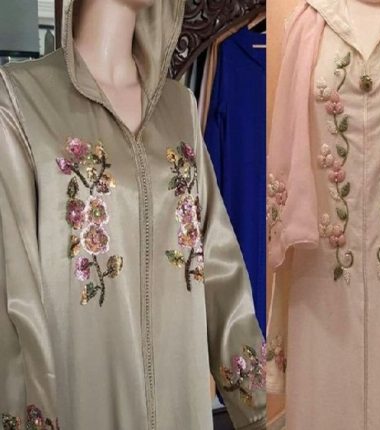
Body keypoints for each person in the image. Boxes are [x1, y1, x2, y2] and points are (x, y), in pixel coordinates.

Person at [0, 0, 265, 428]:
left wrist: (262, 408)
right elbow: (14, 299)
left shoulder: (180, 107)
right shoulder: (19, 101)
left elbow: (219, 271)